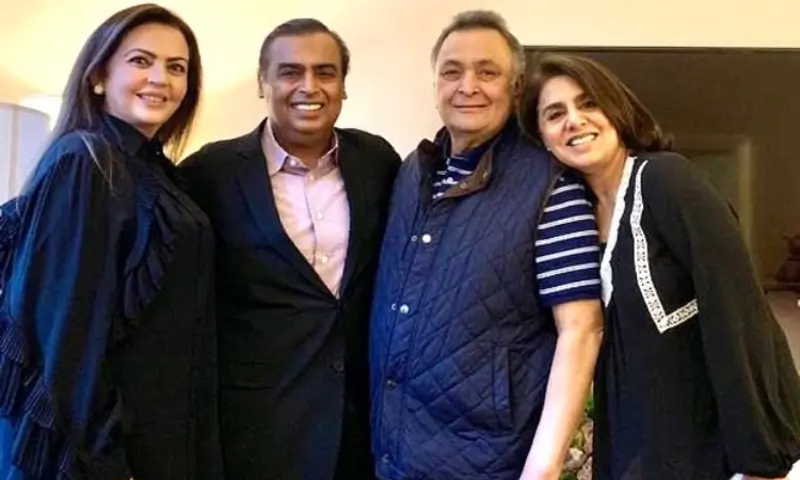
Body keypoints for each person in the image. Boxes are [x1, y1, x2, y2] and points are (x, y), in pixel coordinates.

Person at [523, 52, 800, 480]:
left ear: (616, 110)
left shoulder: (667, 180)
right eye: (555, 114)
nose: (574, 121)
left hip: (713, 453)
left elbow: (739, 310)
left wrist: (764, 459)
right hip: (636, 452)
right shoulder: (573, 216)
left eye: (588, 103)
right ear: (542, 137)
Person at [369, 11, 604, 480]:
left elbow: (582, 329)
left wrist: (544, 465)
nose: (467, 86)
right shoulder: (413, 172)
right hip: (394, 454)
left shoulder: (550, 184)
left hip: (491, 460)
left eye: (487, 72)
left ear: (516, 90)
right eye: (452, 71)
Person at [0, 3, 223, 479]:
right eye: (141, 61)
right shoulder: (85, 163)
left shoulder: (157, 172)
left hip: (162, 439)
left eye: (176, 67)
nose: (160, 78)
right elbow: (67, 338)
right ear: (99, 75)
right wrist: (106, 462)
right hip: (108, 454)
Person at [179, 18, 401, 480]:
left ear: (343, 85)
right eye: (290, 72)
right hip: (255, 430)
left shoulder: (377, 161)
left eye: (325, 72)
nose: (309, 87)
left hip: (359, 431)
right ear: (263, 82)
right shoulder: (209, 173)